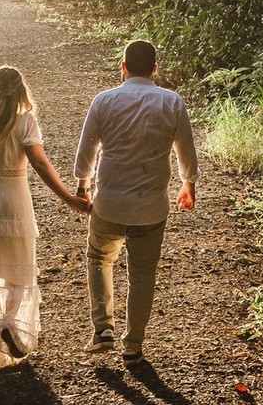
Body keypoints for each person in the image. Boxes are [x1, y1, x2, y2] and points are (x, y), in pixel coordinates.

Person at [0, 65, 88, 370]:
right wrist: (68, 197)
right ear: (21, 91)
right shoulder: (25, 121)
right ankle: (9, 324)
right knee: (17, 275)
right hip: (15, 201)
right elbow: (39, 164)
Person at [73, 38, 197, 365]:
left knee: (100, 258)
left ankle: (102, 330)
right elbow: (186, 149)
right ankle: (133, 346)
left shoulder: (104, 101)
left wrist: (83, 187)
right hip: (152, 207)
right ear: (155, 69)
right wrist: (189, 185)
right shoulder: (172, 102)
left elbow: (87, 150)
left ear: (123, 68)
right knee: (142, 276)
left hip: (109, 202)